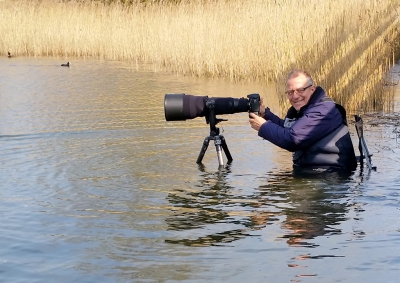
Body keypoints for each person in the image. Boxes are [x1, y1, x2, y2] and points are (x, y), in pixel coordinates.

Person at [249, 69, 357, 171]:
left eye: (300, 90)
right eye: (290, 92)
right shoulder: (304, 109)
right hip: (313, 174)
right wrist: (265, 114)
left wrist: (263, 126)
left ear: (312, 89)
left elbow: (293, 139)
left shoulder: (324, 111)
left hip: (332, 177)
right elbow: (288, 130)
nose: (295, 96)